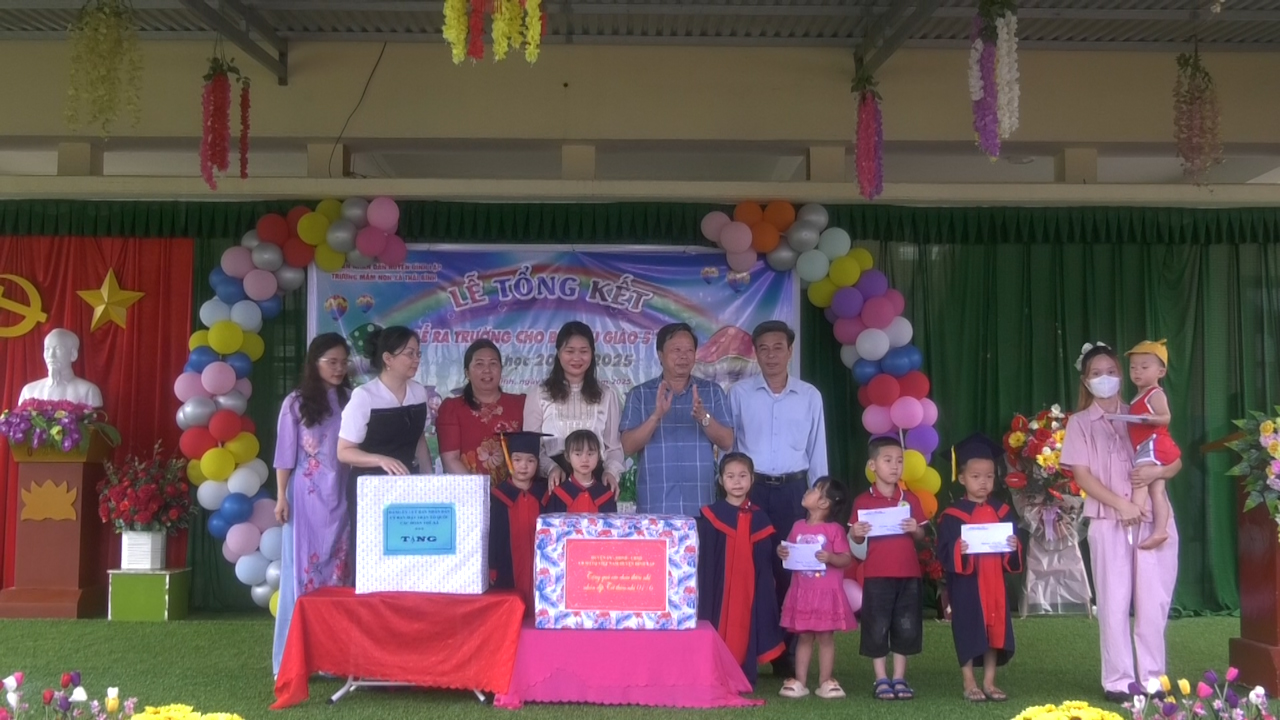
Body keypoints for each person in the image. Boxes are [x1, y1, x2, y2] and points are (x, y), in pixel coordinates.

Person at [1060, 341, 1182, 704]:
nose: (1106, 378)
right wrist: (1121, 505)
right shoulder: (1080, 423)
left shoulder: (1143, 414)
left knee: (1153, 601)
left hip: (1151, 518)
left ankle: (1153, 677)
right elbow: (1082, 475)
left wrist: (1158, 473)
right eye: (1097, 373)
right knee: (1113, 602)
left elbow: (1173, 460)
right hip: (1108, 520)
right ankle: (1119, 680)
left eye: (1111, 371)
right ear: (1086, 381)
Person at [728, 320, 828, 677]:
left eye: (778, 348)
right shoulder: (739, 394)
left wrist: (821, 501)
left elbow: (817, 450)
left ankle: (787, 655)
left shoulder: (810, 395)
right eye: (764, 349)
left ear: (790, 350)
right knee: (752, 572)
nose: (771, 355)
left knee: (791, 573)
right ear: (755, 353)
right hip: (750, 492)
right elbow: (729, 447)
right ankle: (751, 650)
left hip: (794, 493)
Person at [270, 333, 353, 677]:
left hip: (342, 494)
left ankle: (332, 660)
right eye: (331, 362)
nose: (338, 368)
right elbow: (284, 455)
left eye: (343, 362)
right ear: (314, 363)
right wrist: (281, 495)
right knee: (301, 574)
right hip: (306, 496)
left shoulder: (351, 399)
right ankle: (292, 661)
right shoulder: (296, 402)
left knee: (339, 572)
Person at [337, 326, 433, 575]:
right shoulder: (364, 396)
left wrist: (428, 476)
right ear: (388, 359)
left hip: (406, 484)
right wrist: (380, 460)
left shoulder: (418, 392)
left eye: (418, 353)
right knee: (372, 558)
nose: (416, 359)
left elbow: (419, 438)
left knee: (407, 556)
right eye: (409, 353)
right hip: (370, 487)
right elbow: (344, 451)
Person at [936, 433, 1023, 703]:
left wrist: (1012, 546)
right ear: (962, 478)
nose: (983, 482)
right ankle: (969, 681)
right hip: (967, 583)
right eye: (976, 476)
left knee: (994, 627)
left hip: (994, 580)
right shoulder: (953, 515)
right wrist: (957, 550)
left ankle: (989, 681)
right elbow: (943, 552)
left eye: (989, 476)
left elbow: (1012, 551)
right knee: (968, 627)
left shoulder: (1002, 510)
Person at [622, 323, 734, 515]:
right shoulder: (639, 394)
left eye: (689, 350)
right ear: (660, 354)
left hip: (700, 505)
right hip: (655, 506)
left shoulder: (712, 392)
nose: (684, 356)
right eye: (676, 350)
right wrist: (656, 416)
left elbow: (727, 442)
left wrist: (703, 417)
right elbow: (627, 446)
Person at [696, 452, 786, 687]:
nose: (737, 482)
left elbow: (765, 562)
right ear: (721, 480)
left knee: (749, 621)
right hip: (720, 586)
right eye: (731, 476)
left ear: (752, 479)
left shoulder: (760, 518)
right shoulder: (711, 516)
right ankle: (713, 668)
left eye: (743, 476)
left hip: (749, 587)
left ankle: (743, 671)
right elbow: (706, 561)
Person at [850, 436, 927, 701]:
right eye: (888, 460)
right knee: (877, 625)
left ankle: (899, 677)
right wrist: (857, 532)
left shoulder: (910, 499)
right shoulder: (863, 500)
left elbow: (921, 535)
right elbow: (856, 538)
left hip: (908, 573)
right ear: (872, 465)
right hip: (877, 574)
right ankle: (881, 678)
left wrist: (915, 529)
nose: (895, 466)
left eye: (899, 461)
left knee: (906, 625)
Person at [775, 477, 856, 700]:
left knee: (825, 637)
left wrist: (830, 557)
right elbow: (789, 549)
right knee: (804, 637)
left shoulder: (835, 530)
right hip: (802, 591)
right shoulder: (797, 526)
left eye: (814, 489)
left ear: (823, 503)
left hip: (825, 594)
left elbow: (846, 558)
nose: (807, 492)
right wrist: (782, 552)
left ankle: (825, 681)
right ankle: (800, 681)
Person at [524, 321, 624, 491]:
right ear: (558, 353)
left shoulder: (607, 395)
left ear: (592, 353)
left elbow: (613, 447)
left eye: (583, 351)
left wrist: (610, 472)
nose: (577, 358)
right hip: (552, 482)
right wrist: (551, 468)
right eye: (570, 351)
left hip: (595, 482)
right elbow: (530, 446)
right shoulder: (540, 394)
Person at [437, 340, 527, 486]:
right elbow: (450, 460)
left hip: (515, 492)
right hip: (470, 492)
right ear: (467, 372)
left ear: (501, 369)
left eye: (493, 363)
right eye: (479, 364)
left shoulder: (521, 404)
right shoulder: (452, 408)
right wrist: (478, 491)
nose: (487, 370)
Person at [1122, 340, 1180, 550]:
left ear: (1161, 372)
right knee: (1157, 491)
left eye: (1144, 367)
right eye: (1133, 367)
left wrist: (1149, 419)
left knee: (1139, 479)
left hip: (1154, 444)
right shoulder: (1138, 395)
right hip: (1149, 446)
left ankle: (1136, 511)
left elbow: (1166, 417)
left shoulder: (1154, 393)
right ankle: (1160, 530)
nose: (1137, 371)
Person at [489, 431, 549, 613]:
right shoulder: (498, 496)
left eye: (531, 460)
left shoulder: (545, 495)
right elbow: (493, 536)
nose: (524, 466)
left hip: (539, 565)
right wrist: (492, 566)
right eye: (517, 460)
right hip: (508, 566)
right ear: (508, 461)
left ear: (537, 463)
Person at [18, 328, 103, 406]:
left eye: (58, 349)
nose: (51, 356)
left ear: (73, 354)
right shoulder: (29, 391)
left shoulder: (88, 391)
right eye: (47, 349)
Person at [543, 429, 617, 513]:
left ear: (599, 456)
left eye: (590, 454)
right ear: (567, 456)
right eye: (578, 454)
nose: (585, 459)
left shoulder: (605, 495)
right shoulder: (558, 495)